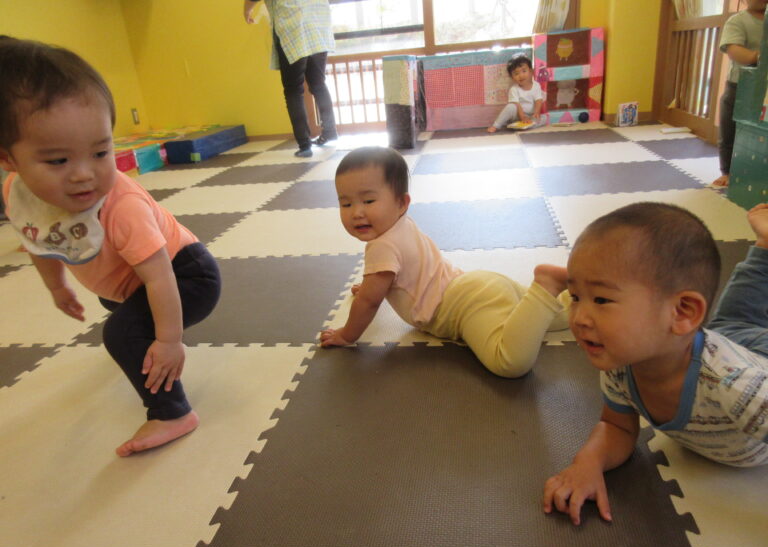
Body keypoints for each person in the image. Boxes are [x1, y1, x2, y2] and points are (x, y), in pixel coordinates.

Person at [0, 37, 221, 457]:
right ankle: (141, 340)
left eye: (101, 151)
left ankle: (172, 412)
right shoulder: (19, 191)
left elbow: (159, 277)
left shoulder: (123, 208)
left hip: (186, 276)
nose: (85, 175)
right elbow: (38, 241)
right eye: (58, 161)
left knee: (122, 330)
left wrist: (169, 341)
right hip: (127, 284)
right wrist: (57, 288)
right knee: (115, 308)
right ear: (9, 160)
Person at [543, 202, 768, 527]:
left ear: (681, 312)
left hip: (755, 361)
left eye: (601, 299)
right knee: (735, 320)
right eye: (575, 296)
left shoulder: (742, 389)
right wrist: (587, 462)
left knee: (739, 326)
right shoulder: (621, 364)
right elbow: (618, 426)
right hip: (723, 342)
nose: (578, 318)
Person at [319, 146, 570, 378]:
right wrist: (369, 286)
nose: (357, 212)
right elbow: (393, 277)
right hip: (477, 284)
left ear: (401, 203)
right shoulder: (401, 224)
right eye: (346, 203)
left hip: (463, 307)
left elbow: (369, 301)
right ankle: (573, 296)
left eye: (369, 201)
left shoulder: (381, 247)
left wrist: (346, 335)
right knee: (557, 318)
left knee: (509, 362)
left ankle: (545, 286)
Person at [244, 0, 338, 158]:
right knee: (318, 84)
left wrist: (246, 11)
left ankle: (305, 145)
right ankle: (329, 132)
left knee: (293, 90)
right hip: (318, 28)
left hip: (293, 32)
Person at [712, 0, 766, 188]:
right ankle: (727, 171)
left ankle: (758, 169)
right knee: (730, 129)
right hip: (740, 86)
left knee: (760, 130)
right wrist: (756, 56)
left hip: (765, 88)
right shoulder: (739, 21)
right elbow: (734, 50)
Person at [487, 54, 545, 133]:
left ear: (531, 72)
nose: (521, 75)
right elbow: (517, 105)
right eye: (516, 74)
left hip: (531, 116)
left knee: (544, 118)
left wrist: (536, 113)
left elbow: (538, 100)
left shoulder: (536, 85)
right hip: (517, 115)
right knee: (511, 106)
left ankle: (523, 125)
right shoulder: (514, 89)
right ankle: (496, 125)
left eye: (524, 71)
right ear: (512, 77)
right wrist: (523, 117)